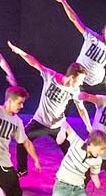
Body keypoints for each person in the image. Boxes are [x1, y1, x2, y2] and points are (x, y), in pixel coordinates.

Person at [8, 41, 92, 175]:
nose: (81, 83)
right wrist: (20, 52)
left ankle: (75, 173)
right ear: (72, 77)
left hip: (58, 126)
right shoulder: (51, 76)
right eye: (80, 80)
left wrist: (89, 126)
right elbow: (35, 63)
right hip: (39, 122)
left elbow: (81, 109)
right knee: (22, 139)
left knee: (70, 150)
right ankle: (22, 169)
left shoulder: (75, 91)